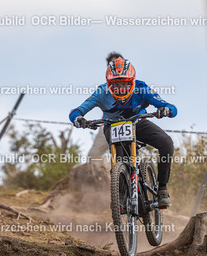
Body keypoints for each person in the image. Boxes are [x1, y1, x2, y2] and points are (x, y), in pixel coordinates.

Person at [69, 57, 177, 207]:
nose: (120, 88)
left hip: (138, 122)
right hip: (112, 125)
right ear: (109, 84)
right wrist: (79, 118)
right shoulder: (101, 92)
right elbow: (77, 111)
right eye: (116, 84)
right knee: (120, 158)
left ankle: (163, 188)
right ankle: (120, 193)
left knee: (166, 143)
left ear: (132, 81)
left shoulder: (141, 88)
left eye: (124, 84)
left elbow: (170, 107)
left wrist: (166, 110)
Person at [87, 52, 125, 160]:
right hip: (107, 124)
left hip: (129, 122)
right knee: (92, 156)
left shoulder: (133, 84)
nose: (116, 66)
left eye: (118, 63)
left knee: (128, 154)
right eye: (112, 64)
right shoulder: (104, 88)